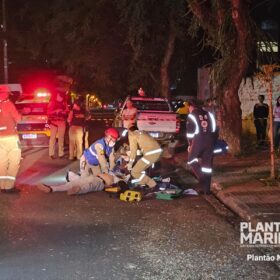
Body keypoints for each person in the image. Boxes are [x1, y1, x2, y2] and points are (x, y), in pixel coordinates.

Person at [186, 99, 217, 195]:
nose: (188, 110)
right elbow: (214, 129)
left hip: (198, 140)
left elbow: (190, 133)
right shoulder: (209, 114)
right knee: (207, 166)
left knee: (191, 160)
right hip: (210, 140)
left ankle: (202, 178)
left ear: (191, 106)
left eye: (188, 108)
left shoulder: (192, 115)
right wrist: (213, 142)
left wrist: (190, 145)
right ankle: (206, 190)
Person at [0, 85, 23, 193]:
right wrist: (21, 114)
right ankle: (9, 187)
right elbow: (18, 119)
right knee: (14, 162)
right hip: (11, 138)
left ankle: (2, 186)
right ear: (5, 94)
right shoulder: (8, 104)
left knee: (1, 163)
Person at [37, 173, 116, 195]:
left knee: (89, 186)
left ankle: (78, 190)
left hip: (101, 183)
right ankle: (51, 188)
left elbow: (112, 185)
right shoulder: (113, 172)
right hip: (94, 177)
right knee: (72, 183)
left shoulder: (117, 178)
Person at [47, 91, 69, 159]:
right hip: (53, 122)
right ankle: (51, 154)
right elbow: (48, 112)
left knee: (61, 138)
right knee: (52, 138)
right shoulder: (52, 103)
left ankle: (61, 154)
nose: (61, 98)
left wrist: (63, 111)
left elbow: (67, 111)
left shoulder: (64, 103)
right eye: (60, 97)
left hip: (62, 122)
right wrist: (56, 111)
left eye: (62, 97)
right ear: (57, 96)